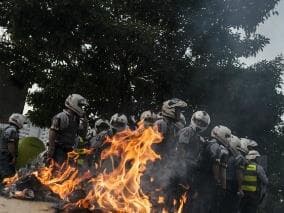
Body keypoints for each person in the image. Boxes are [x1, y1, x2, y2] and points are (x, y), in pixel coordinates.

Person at [47, 94, 88, 164]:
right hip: (59, 149)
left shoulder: (76, 119)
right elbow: (52, 132)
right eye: (80, 105)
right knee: (59, 170)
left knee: (72, 170)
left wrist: (85, 124)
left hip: (69, 149)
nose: (81, 108)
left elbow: (83, 135)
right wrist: (51, 149)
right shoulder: (62, 116)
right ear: (74, 103)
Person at [221, 134, 248, 213]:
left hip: (223, 183)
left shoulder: (226, 154)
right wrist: (240, 188)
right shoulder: (240, 158)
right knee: (231, 208)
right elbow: (239, 173)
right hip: (232, 186)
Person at [0, 113, 26, 182]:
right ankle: (4, 192)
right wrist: (14, 156)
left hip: (2, 155)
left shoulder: (7, 128)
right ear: (18, 121)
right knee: (9, 177)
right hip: (6, 157)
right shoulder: (13, 131)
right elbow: (11, 145)